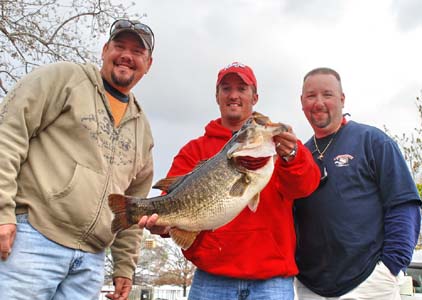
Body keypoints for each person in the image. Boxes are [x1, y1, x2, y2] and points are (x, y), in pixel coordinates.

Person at [0, 19, 155, 300]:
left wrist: (124, 266)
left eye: (137, 52)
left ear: (148, 64)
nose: (126, 56)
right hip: (32, 240)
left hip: (91, 261)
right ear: (105, 50)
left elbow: (134, 205)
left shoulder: (142, 129)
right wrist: (2, 213)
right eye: (119, 46)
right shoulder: (65, 79)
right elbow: (8, 135)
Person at [139, 62, 320, 300]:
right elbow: (171, 202)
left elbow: (305, 186)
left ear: (254, 96)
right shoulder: (194, 150)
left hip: (272, 280)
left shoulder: (281, 143)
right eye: (226, 88)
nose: (233, 95)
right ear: (217, 96)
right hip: (211, 277)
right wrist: (161, 226)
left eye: (241, 88)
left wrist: (292, 155)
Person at [294, 67, 422, 299]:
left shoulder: (373, 142)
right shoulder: (299, 156)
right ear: (302, 102)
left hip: (369, 285)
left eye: (327, 94)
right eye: (311, 96)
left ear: (342, 99)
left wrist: (390, 269)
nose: (319, 102)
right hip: (310, 288)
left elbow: (404, 205)